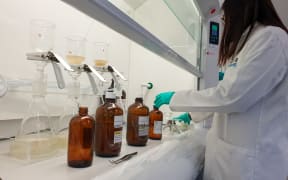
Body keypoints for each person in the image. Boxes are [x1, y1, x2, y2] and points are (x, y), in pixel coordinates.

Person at [154, 0, 288, 179]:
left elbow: (231, 97)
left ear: (240, 11)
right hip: (232, 161)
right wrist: (192, 115)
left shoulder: (271, 38)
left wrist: (176, 98)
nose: (225, 25)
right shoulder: (249, 43)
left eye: (226, 19)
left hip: (253, 167)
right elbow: (230, 95)